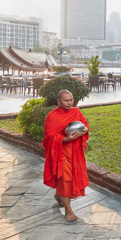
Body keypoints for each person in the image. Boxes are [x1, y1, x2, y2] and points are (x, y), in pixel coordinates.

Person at [42, 89, 89, 221]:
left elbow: (84, 124)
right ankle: (68, 212)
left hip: (75, 153)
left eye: (71, 100)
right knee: (65, 180)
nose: (69, 103)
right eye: (66, 100)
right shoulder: (52, 116)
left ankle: (59, 196)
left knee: (71, 179)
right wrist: (66, 139)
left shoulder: (76, 111)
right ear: (58, 101)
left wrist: (85, 129)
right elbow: (49, 138)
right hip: (60, 153)